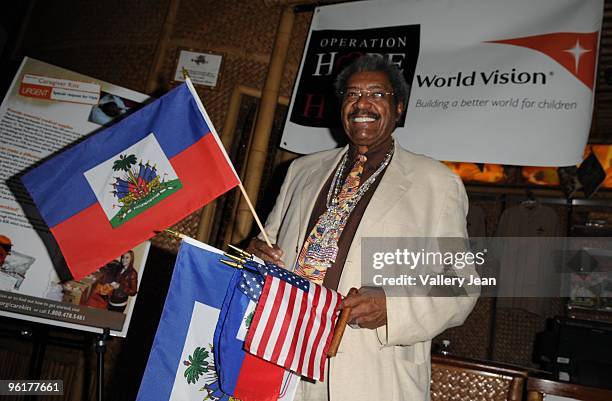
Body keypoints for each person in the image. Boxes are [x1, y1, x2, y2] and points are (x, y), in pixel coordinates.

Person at [246, 55, 477, 401]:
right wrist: (256, 254)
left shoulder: (436, 184)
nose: (362, 103)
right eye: (353, 94)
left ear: (398, 108)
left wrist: (392, 306)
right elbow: (271, 245)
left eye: (377, 94)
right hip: (285, 358)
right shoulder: (302, 171)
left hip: (372, 371)